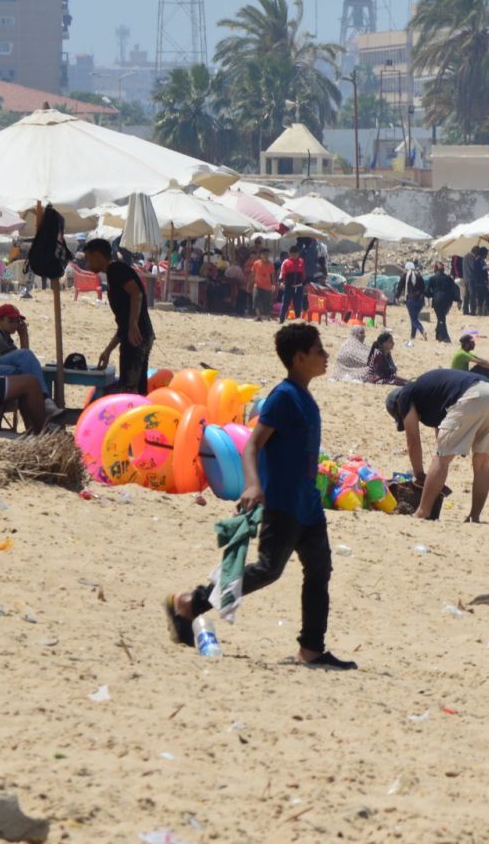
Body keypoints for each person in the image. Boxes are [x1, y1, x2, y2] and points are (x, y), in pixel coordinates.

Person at [165, 323, 353, 670]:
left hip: (308, 504)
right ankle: (191, 602)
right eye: (319, 351)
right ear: (299, 358)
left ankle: (311, 649)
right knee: (268, 569)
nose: (326, 356)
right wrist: (252, 485)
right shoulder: (284, 396)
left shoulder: (305, 396)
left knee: (319, 570)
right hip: (282, 502)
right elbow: (252, 444)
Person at [387, 368, 489, 522]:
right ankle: (474, 517)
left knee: (441, 460)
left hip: (471, 396)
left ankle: (422, 512)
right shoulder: (430, 394)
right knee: (482, 464)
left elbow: (413, 441)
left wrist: (419, 474)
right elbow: (442, 430)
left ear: (398, 405)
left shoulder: (405, 395)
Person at [84, 239, 154, 395]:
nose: (87, 265)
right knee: (139, 389)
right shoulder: (114, 273)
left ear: (98, 256)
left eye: (89, 259)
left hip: (136, 337)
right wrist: (108, 350)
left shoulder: (116, 269)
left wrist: (133, 325)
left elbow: (137, 294)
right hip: (140, 334)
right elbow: (123, 325)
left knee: (129, 390)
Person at [426, 261, 459, 343]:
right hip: (448, 301)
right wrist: (457, 299)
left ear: (435, 269)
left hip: (437, 300)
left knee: (441, 318)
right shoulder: (449, 278)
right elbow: (454, 290)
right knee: (441, 317)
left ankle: (445, 337)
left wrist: (432, 295)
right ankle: (438, 334)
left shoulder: (432, 278)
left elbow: (426, 291)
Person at [277, 245, 307, 323]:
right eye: (293, 254)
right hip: (288, 286)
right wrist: (281, 282)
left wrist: (304, 284)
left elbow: (303, 274)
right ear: (290, 254)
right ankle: (281, 319)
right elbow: (282, 274)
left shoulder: (301, 261)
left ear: (298, 254)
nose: (294, 255)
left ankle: (298, 319)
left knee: (298, 304)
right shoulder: (286, 262)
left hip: (299, 287)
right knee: (285, 303)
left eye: (296, 253)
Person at [400, 263, 427, 341]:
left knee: (414, 319)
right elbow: (423, 288)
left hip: (411, 300)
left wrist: (397, 296)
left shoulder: (405, 276)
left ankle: (422, 330)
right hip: (420, 301)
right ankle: (413, 336)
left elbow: (400, 287)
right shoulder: (419, 276)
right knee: (414, 317)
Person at [466, 247, 489, 316]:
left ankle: (480, 312)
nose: (487, 255)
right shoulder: (481, 260)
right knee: (488, 298)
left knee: (481, 298)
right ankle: (485, 312)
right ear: (483, 253)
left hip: (478, 282)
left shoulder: (477, 260)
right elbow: (483, 268)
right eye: (486, 253)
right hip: (481, 282)